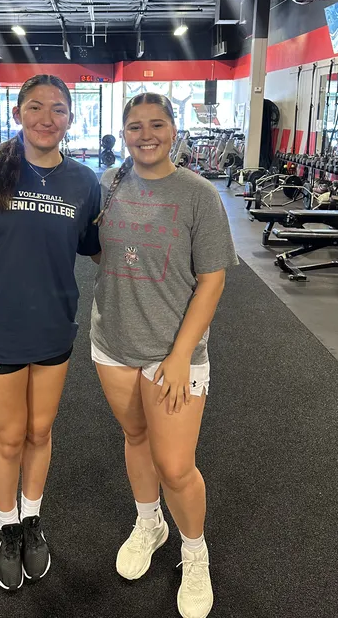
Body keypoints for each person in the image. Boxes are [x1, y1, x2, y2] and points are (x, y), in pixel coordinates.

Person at [0, 74, 101, 592]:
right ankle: (6, 527)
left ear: (70, 119)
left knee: (40, 432)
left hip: (55, 326)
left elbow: (96, 248)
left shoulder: (83, 182)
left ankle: (32, 518)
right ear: (18, 114)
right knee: (9, 437)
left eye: (58, 109)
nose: (46, 118)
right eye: (35, 107)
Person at [91, 93, 238, 618]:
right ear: (123, 132)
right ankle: (149, 522)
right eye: (135, 126)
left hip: (173, 354)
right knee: (135, 437)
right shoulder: (107, 184)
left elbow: (213, 280)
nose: (145, 134)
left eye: (156, 124)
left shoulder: (198, 194)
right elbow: (95, 249)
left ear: (173, 129)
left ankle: (194, 552)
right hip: (112, 343)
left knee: (176, 465)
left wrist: (179, 356)